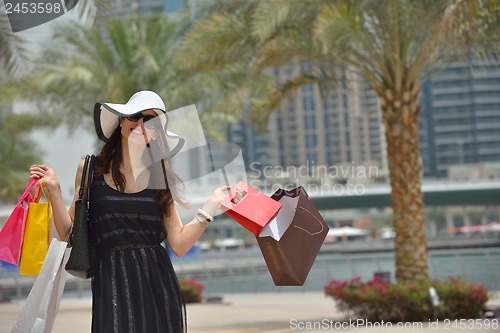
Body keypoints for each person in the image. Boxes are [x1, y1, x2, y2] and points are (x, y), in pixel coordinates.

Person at [29, 91, 230, 332]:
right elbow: (68, 235)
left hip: (157, 284)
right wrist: (54, 189)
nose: (141, 125)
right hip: (111, 283)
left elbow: (178, 243)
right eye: (136, 116)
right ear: (122, 121)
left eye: (150, 121)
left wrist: (211, 205)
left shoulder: (160, 177)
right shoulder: (90, 169)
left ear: (155, 134)